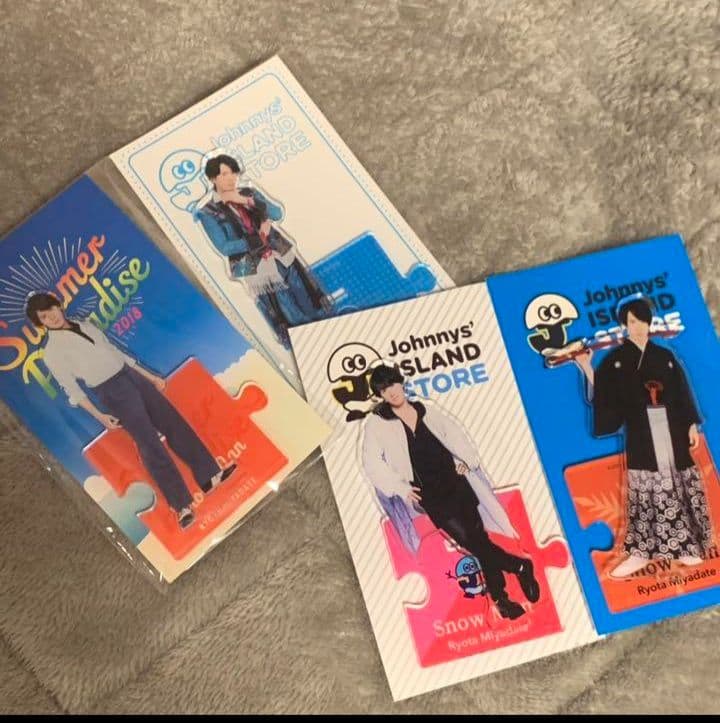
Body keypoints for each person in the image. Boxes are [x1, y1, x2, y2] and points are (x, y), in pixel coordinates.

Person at [28, 292, 236, 530]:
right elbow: (72, 389)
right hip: (110, 391)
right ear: (40, 323)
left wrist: (150, 377)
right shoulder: (52, 352)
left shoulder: (85, 324)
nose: (51, 317)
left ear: (58, 305)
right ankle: (182, 506)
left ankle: (210, 475)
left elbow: (116, 352)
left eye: (50, 309)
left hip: (131, 376)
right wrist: (100, 416)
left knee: (173, 422)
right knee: (149, 443)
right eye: (44, 317)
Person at [361, 364, 540, 619]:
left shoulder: (426, 410)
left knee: (479, 541)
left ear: (401, 382)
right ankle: (519, 566)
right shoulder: (377, 424)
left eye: (392, 384)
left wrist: (465, 460)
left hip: (457, 483)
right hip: (429, 494)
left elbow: (455, 436)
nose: (391, 392)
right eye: (383, 389)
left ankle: (501, 598)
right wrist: (400, 488)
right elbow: (371, 463)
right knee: (472, 542)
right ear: (380, 395)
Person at [575, 296, 712, 578]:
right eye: (631, 322)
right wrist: (586, 367)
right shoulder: (616, 361)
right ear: (624, 325)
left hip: (671, 429)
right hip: (641, 432)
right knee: (646, 491)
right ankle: (640, 552)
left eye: (640, 321)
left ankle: (685, 546)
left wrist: (690, 424)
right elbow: (603, 396)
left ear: (649, 323)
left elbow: (681, 391)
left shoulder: (665, 357)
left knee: (677, 483)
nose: (636, 327)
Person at [196, 154, 332, 348]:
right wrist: (257, 238)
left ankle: (330, 333)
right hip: (253, 268)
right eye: (224, 174)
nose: (231, 178)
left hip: (281, 254)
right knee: (287, 312)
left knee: (309, 299)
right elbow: (224, 247)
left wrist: (247, 201)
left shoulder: (248, 193)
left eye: (233, 173)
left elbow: (276, 213)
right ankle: (306, 346)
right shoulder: (207, 212)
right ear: (212, 178)